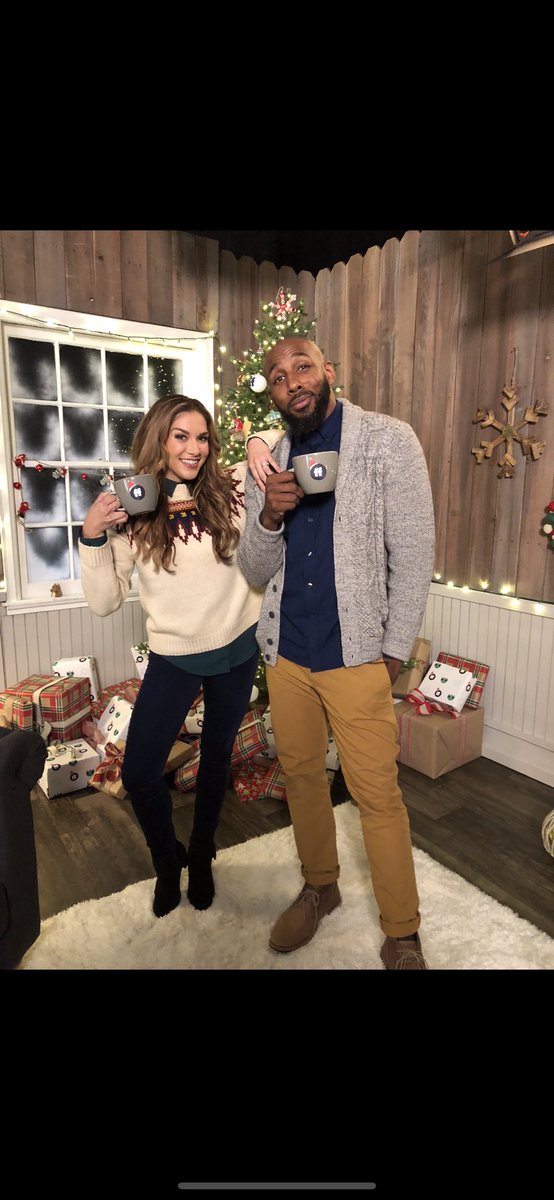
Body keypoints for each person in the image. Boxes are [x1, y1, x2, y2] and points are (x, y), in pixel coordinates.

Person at [237, 338, 436, 969]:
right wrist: (268, 518)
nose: (292, 381)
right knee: (301, 779)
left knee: (377, 795)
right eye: (277, 376)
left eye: (302, 367)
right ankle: (321, 887)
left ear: (328, 371)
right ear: (272, 393)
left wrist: (393, 651)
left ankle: (402, 931)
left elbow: (414, 554)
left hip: (357, 657)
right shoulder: (270, 461)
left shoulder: (387, 440)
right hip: (288, 655)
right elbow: (253, 569)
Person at [79, 394, 270, 919]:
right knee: (141, 773)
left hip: (237, 647)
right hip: (175, 655)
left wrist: (256, 441)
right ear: (159, 439)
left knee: (216, 760)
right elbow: (105, 602)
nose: (194, 448)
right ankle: (168, 861)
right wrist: (93, 535)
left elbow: (285, 437)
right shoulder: (132, 506)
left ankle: (202, 853)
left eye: (202, 437)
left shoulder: (231, 484)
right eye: (181, 436)